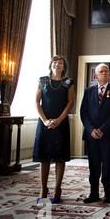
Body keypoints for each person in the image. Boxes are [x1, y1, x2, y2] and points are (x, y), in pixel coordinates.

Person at [33, 55, 75, 204]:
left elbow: (70, 103)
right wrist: (45, 121)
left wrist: (58, 120)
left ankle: (57, 189)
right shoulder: (42, 81)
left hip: (61, 122)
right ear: (51, 65)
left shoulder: (68, 82)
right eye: (55, 62)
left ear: (64, 67)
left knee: (60, 157)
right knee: (43, 157)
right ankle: (43, 189)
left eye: (61, 63)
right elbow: (37, 102)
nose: (57, 65)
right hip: (44, 123)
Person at [80, 63, 110, 204]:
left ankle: (108, 194)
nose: (104, 73)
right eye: (101, 71)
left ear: (109, 75)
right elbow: (83, 113)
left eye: (106, 71)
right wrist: (91, 129)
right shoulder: (88, 91)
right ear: (95, 75)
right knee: (94, 164)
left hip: (108, 135)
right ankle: (94, 193)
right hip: (91, 135)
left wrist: (102, 129)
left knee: (108, 165)